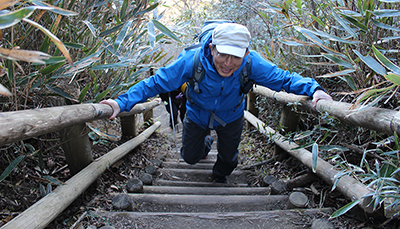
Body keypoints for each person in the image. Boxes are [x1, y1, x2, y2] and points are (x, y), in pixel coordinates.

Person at [100, 22, 332, 183]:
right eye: (223, 54)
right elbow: (154, 83)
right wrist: (121, 103)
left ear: (245, 53)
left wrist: (315, 90)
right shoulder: (191, 61)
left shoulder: (252, 63)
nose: (229, 63)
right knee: (190, 157)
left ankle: (220, 174)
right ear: (211, 48)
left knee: (229, 162)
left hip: (231, 116)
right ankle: (206, 143)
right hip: (197, 114)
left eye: (236, 56)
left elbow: (285, 79)